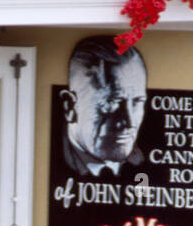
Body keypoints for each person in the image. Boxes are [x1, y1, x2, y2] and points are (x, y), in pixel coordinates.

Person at [59, 36, 148, 180]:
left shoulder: (142, 166)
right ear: (70, 106)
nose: (129, 122)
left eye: (137, 102)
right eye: (113, 102)